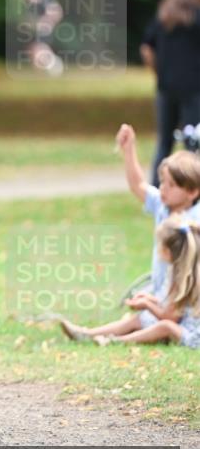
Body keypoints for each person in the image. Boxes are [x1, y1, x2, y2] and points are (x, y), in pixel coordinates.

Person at [59, 123, 200, 342]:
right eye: (162, 182)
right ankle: (87, 335)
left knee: (150, 320)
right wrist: (129, 150)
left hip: (186, 294)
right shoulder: (163, 207)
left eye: (171, 185)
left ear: (192, 191)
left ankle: (108, 338)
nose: (163, 188)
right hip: (165, 288)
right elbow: (138, 185)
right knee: (139, 319)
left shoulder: (195, 217)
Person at [59, 217, 200, 348]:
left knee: (165, 326)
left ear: (167, 251)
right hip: (184, 326)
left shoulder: (181, 277)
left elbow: (171, 318)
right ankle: (86, 334)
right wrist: (150, 300)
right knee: (140, 319)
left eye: (158, 244)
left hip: (194, 336)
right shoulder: (181, 271)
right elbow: (173, 309)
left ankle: (113, 340)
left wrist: (146, 304)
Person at [140, 0, 200, 184]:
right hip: (194, 88)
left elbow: (146, 49)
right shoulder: (197, 15)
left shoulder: (164, 14)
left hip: (166, 87)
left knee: (164, 142)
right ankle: (192, 190)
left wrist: (160, 72)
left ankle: (157, 189)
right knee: (192, 142)